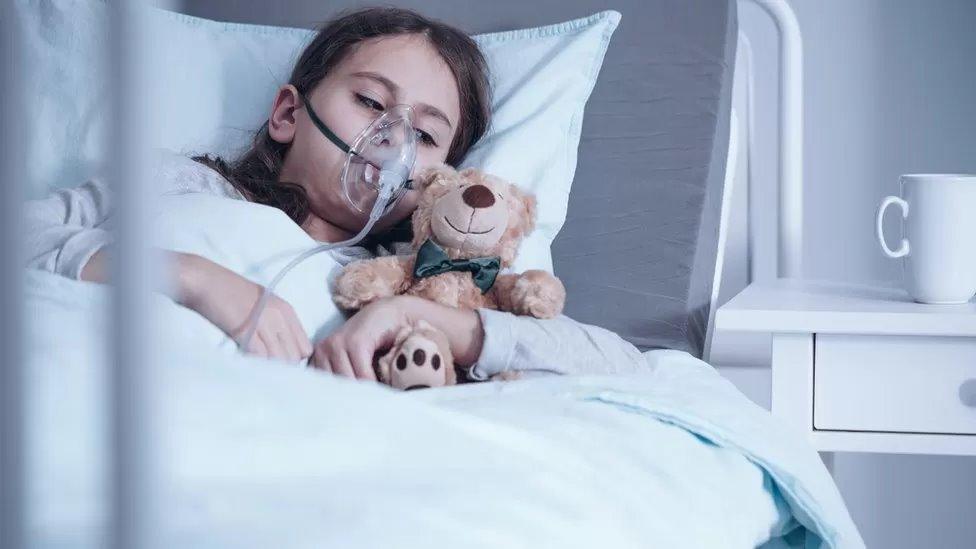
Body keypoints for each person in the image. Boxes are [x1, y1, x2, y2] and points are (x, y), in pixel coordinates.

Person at [25, 7, 646, 382]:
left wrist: (416, 316)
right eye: (371, 102)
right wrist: (194, 277)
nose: (393, 139)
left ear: (441, 179)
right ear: (288, 115)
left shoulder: (392, 282)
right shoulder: (178, 184)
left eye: (427, 134)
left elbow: (617, 365)